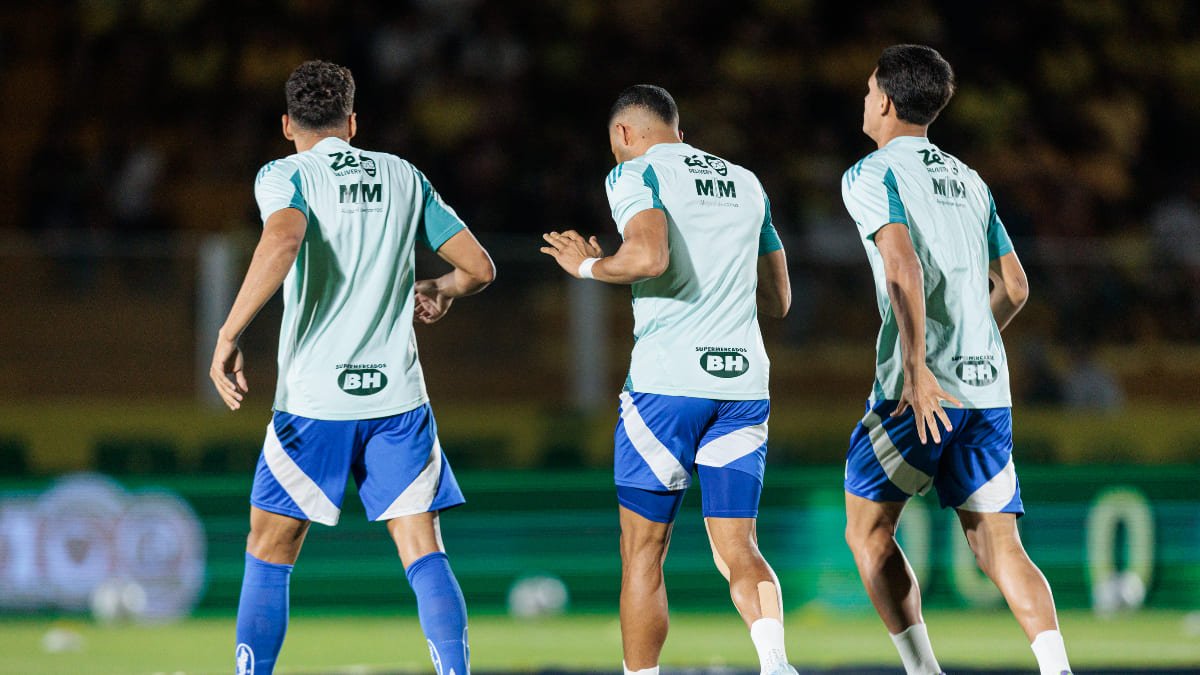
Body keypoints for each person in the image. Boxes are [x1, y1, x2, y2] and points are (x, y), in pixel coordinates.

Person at [210, 60, 494, 675]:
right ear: (353, 122)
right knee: (423, 548)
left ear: (287, 125)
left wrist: (230, 333)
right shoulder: (403, 175)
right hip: (398, 401)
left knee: (270, 548)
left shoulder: (285, 173)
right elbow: (479, 267)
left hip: (314, 404)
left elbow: (283, 241)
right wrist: (440, 288)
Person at [540, 85, 796, 675]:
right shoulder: (747, 182)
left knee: (643, 553)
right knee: (739, 547)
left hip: (667, 389)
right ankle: (776, 661)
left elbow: (648, 258)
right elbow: (778, 299)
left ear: (624, 134)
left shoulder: (637, 174)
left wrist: (584, 264)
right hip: (742, 385)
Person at [839, 45, 1071, 675]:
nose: (864, 101)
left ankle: (922, 671)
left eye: (867, 91)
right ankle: (1057, 668)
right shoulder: (971, 180)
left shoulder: (871, 174)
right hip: (987, 389)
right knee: (1000, 545)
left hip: (917, 391)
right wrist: (973, 349)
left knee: (867, 530)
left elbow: (902, 265)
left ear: (885, 99)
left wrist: (919, 368)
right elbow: (1016, 286)